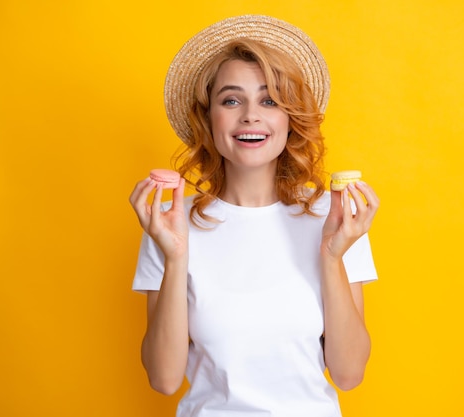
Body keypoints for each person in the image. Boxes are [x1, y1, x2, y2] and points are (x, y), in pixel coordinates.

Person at [129, 15, 379, 417]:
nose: (250, 115)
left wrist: (332, 257)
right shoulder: (170, 222)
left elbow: (349, 374)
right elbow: (164, 379)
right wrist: (175, 257)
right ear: (208, 118)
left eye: (269, 100)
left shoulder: (334, 219)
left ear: (289, 118)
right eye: (231, 100)